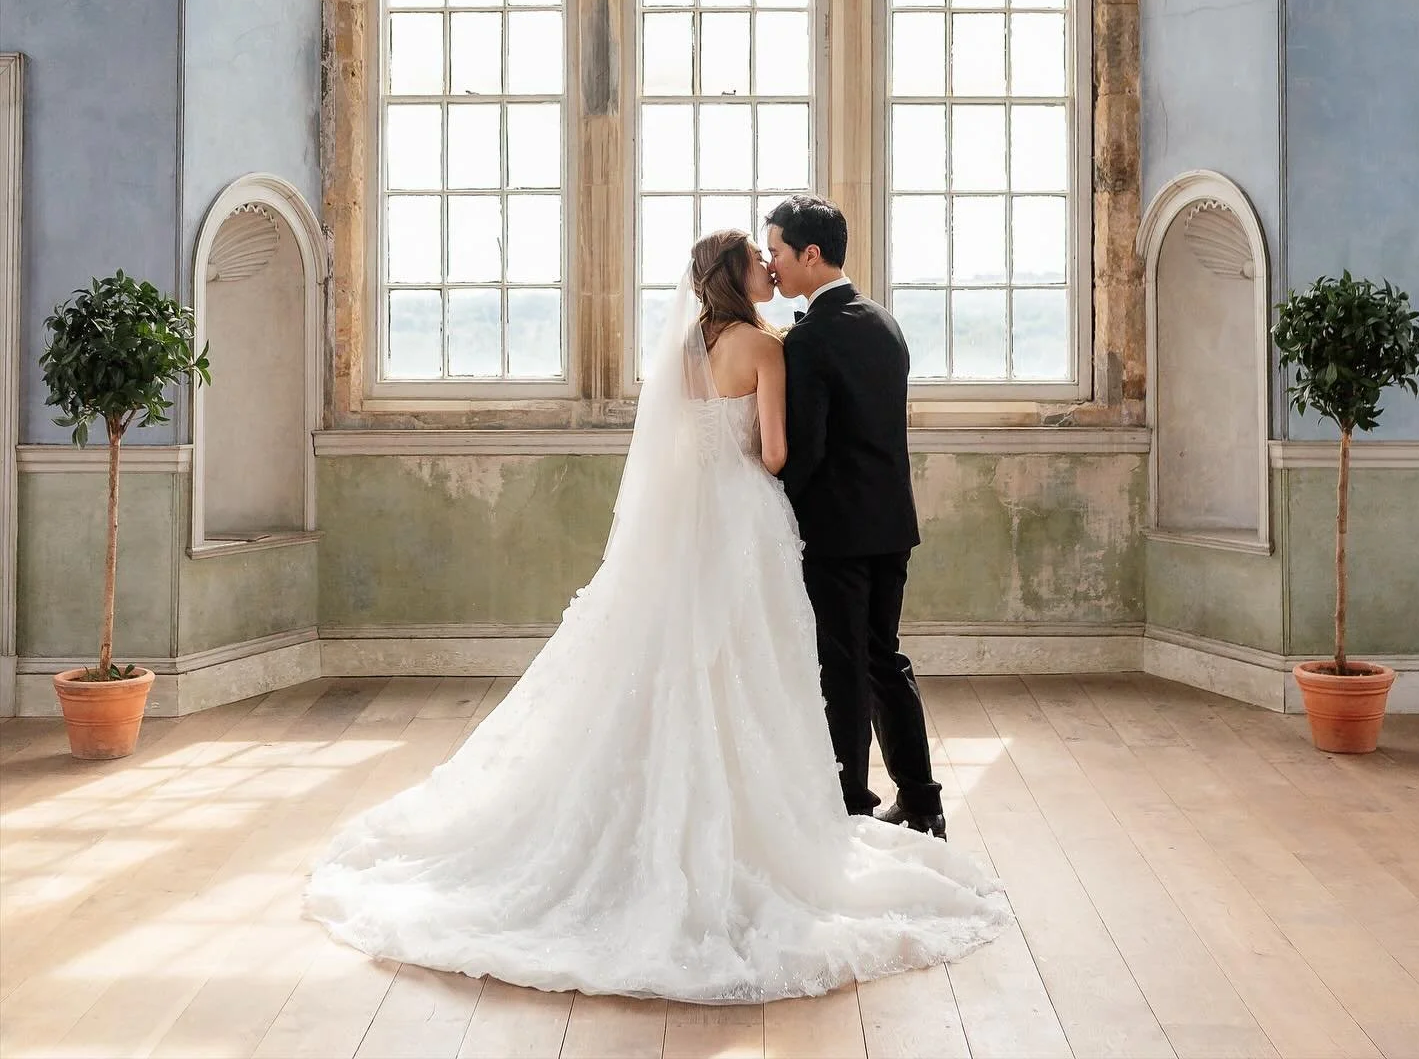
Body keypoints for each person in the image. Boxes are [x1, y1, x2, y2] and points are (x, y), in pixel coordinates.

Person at [307, 230, 1006, 1001]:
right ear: (738, 276)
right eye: (758, 258)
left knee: (672, 655)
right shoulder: (767, 348)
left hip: (684, 522)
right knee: (754, 661)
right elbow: (776, 455)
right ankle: (787, 811)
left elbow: (672, 447)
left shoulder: (682, 350)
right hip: (745, 518)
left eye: (774, 253)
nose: (769, 266)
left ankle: (664, 810)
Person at [765, 195, 944, 834]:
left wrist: (770, 499)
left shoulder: (810, 339)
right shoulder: (885, 323)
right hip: (890, 523)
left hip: (835, 530)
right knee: (883, 658)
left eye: (778, 252)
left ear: (810, 254)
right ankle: (922, 802)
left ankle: (850, 806)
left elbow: (807, 448)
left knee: (841, 669)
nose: (772, 264)